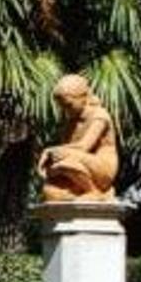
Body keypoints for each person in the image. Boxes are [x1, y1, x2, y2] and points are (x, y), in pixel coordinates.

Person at [36, 74, 119, 202]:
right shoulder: (70, 122)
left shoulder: (100, 115)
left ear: (84, 97)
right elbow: (65, 149)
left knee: (65, 161)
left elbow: (83, 146)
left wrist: (49, 151)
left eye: (69, 105)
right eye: (62, 107)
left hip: (102, 167)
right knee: (49, 191)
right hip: (78, 164)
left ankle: (94, 192)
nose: (66, 110)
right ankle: (78, 191)